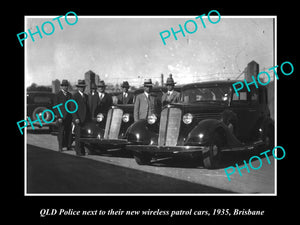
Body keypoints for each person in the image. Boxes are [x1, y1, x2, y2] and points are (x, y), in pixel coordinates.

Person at [54, 79, 73, 152]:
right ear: (61, 87)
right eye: (64, 86)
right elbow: (56, 107)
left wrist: (72, 117)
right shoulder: (58, 95)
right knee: (61, 132)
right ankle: (60, 147)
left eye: (66, 86)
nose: (65, 87)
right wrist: (59, 117)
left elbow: (72, 106)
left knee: (69, 131)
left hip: (69, 117)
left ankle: (68, 146)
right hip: (61, 117)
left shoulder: (70, 95)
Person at [72, 80, 89, 156]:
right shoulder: (75, 96)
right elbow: (72, 108)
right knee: (78, 135)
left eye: (83, 87)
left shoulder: (86, 96)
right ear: (78, 88)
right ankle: (78, 151)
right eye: (80, 87)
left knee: (83, 135)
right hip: (78, 119)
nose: (82, 88)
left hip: (85, 119)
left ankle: (82, 151)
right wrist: (76, 118)